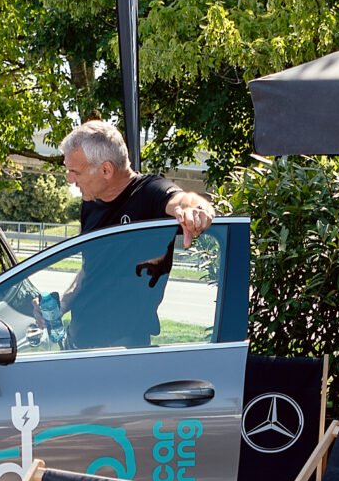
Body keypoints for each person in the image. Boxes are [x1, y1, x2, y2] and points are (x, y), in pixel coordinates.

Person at [48, 120, 216, 348]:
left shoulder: (149, 192)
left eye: (74, 171)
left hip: (121, 351)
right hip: (77, 342)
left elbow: (181, 199)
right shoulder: (91, 202)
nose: (69, 179)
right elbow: (92, 267)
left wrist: (195, 209)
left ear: (106, 170)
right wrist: (65, 301)